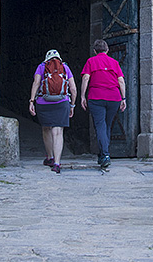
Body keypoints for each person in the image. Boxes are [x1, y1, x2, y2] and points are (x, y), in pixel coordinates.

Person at [28, 49, 78, 174]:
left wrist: (31, 101)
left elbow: (36, 83)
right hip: (62, 103)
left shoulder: (42, 67)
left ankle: (49, 157)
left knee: (46, 129)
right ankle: (57, 163)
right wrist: (72, 105)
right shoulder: (65, 67)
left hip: (43, 103)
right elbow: (73, 88)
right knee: (58, 131)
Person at [79, 39, 126, 169]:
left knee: (100, 126)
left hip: (96, 97)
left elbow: (86, 78)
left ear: (94, 51)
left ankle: (105, 155)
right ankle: (102, 154)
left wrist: (82, 96)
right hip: (113, 97)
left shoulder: (91, 61)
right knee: (107, 125)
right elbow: (121, 81)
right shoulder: (115, 62)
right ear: (107, 50)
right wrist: (124, 98)